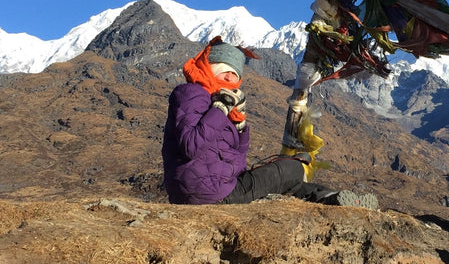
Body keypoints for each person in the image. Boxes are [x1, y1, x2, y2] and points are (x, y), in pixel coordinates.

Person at [162, 38, 377, 209]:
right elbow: (191, 145)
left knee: (288, 185)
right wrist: (220, 110)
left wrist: (240, 126)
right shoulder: (192, 93)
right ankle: (331, 199)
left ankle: (332, 199)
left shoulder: (214, 98)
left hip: (212, 189)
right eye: (223, 70)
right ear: (210, 68)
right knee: (291, 168)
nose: (229, 78)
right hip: (207, 194)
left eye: (234, 74)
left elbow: (237, 158)